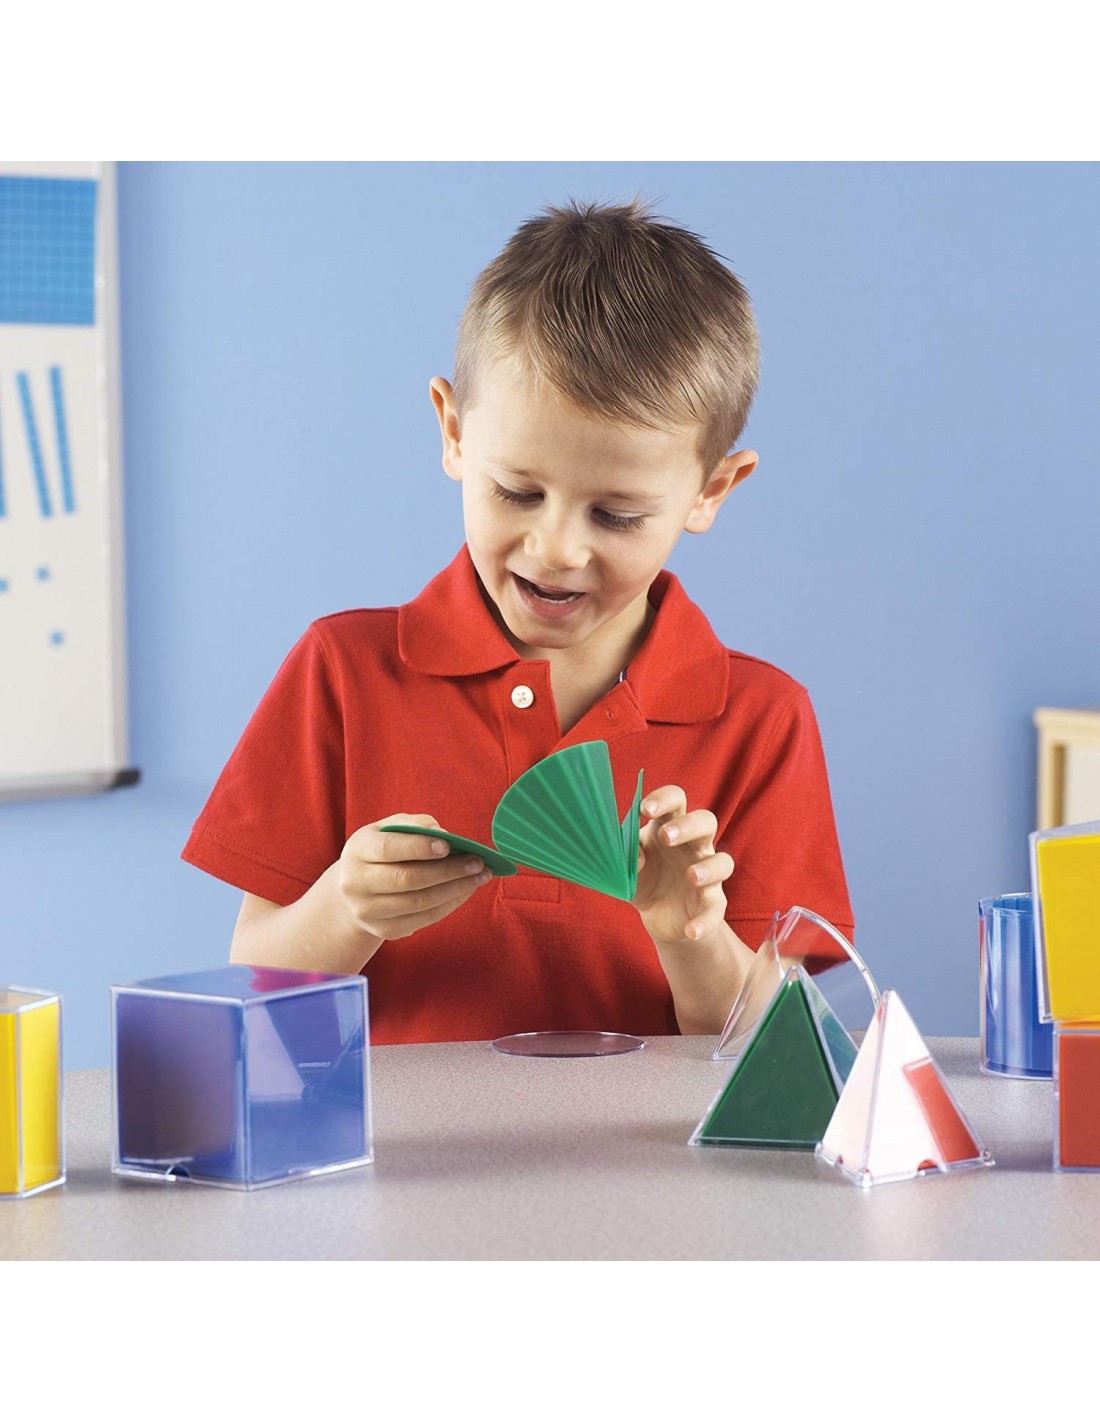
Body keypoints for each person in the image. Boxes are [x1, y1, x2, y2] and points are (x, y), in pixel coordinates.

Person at [182, 198, 854, 1045]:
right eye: (516, 491)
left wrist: (689, 934)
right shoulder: (342, 671)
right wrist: (347, 909)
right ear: (454, 433)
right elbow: (257, 981)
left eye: (616, 515)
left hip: (655, 1142)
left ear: (711, 491)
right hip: (389, 1138)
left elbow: (775, 1052)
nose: (557, 548)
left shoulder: (764, 720)